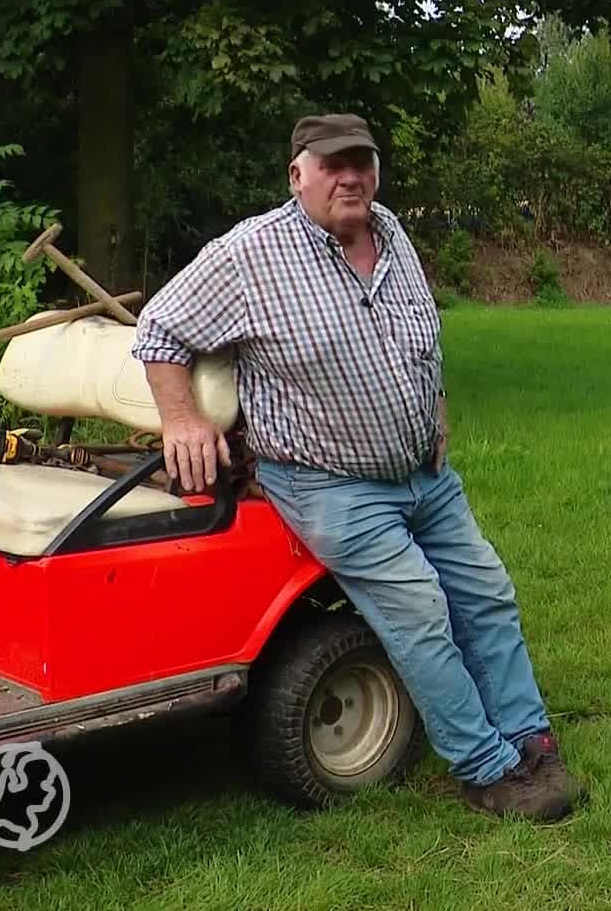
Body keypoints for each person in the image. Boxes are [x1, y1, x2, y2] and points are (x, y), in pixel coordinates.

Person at [129, 113, 581, 822]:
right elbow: (158, 327)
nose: (350, 177)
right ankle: (487, 768)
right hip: (327, 484)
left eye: (361, 162)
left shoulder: (392, 231)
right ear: (297, 173)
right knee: (421, 612)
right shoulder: (251, 254)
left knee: (487, 592)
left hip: (423, 476)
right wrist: (183, 417)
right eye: (332, 164)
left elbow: (418, 328)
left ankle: (530, 737)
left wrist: (435, 403)